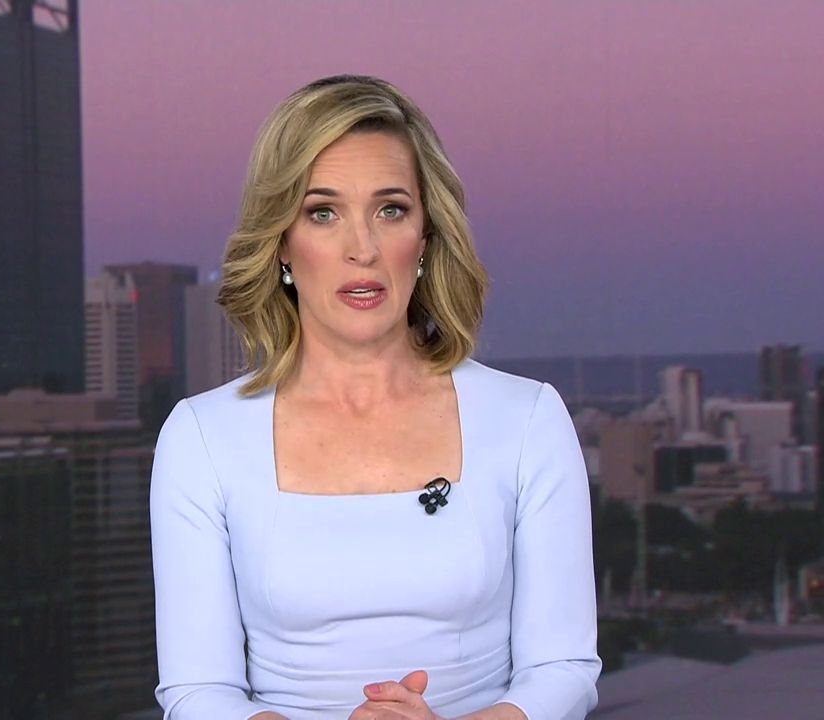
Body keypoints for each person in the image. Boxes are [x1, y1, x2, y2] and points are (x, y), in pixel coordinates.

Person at [150, 74, 600, 720]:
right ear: (281, 242)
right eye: (322, 212)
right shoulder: (201, 437)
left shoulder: (527, 419)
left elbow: (563, 671)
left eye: (390, 210)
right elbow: (196, 693)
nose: (361, 249)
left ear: (426, 237)